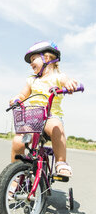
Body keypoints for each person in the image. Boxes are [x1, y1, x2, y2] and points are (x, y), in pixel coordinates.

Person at [10, 41, 77, 177]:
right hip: (32, 118)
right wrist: (17, 98)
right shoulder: (32, 80)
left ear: (46, 58)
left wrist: (70, 84)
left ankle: (61, 162)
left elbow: (67, 81)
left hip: (50, 117)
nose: (30, 63)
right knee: (18, 141)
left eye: (33, 59)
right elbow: (23, 94)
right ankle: (14, 175)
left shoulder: (58, 77)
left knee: (56, 127)